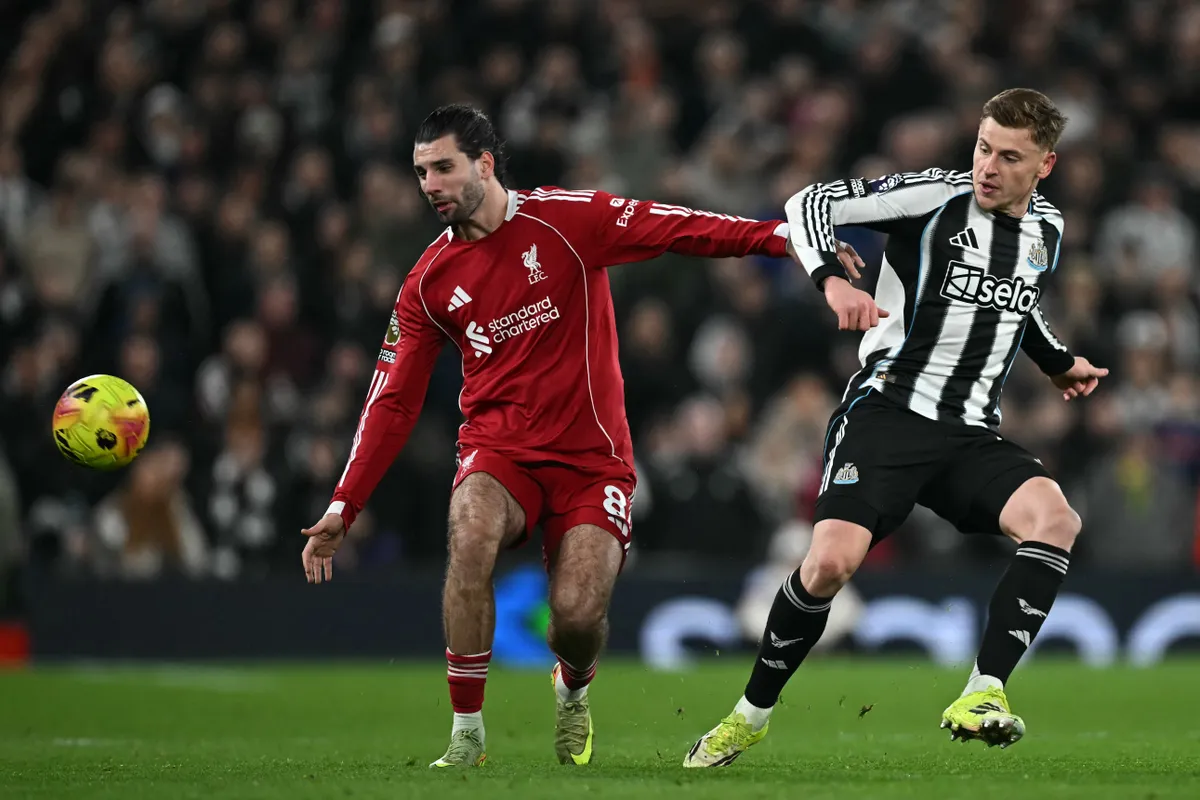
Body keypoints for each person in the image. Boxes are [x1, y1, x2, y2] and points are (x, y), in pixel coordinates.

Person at [299, 104, 877, 768]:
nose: (429, 184)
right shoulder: (429, 281)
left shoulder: (568, 221)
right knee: (471, 529)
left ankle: (572, 689)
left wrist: (790, 242)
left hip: (591, 462)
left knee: (575, 619)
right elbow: (391, 398)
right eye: (421, 171)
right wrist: (345, 504)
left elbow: (683, 228)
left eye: (443, 167)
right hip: (498, 450)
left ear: (484, 164)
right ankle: (466, 735)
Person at [684, 88, 1109, 767]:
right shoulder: (933, 195)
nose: (988, 166)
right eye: (982, 147)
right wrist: (830, 279)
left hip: (969, 432)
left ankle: (984, 692)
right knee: (828, 564)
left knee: (1055, 519)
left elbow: (1018, 307)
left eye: (1009, 156)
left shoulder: (1047, 231)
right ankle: (750, 714)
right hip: (888, 413)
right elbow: (808, 203)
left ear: (1045, 165)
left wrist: (1057, 363)